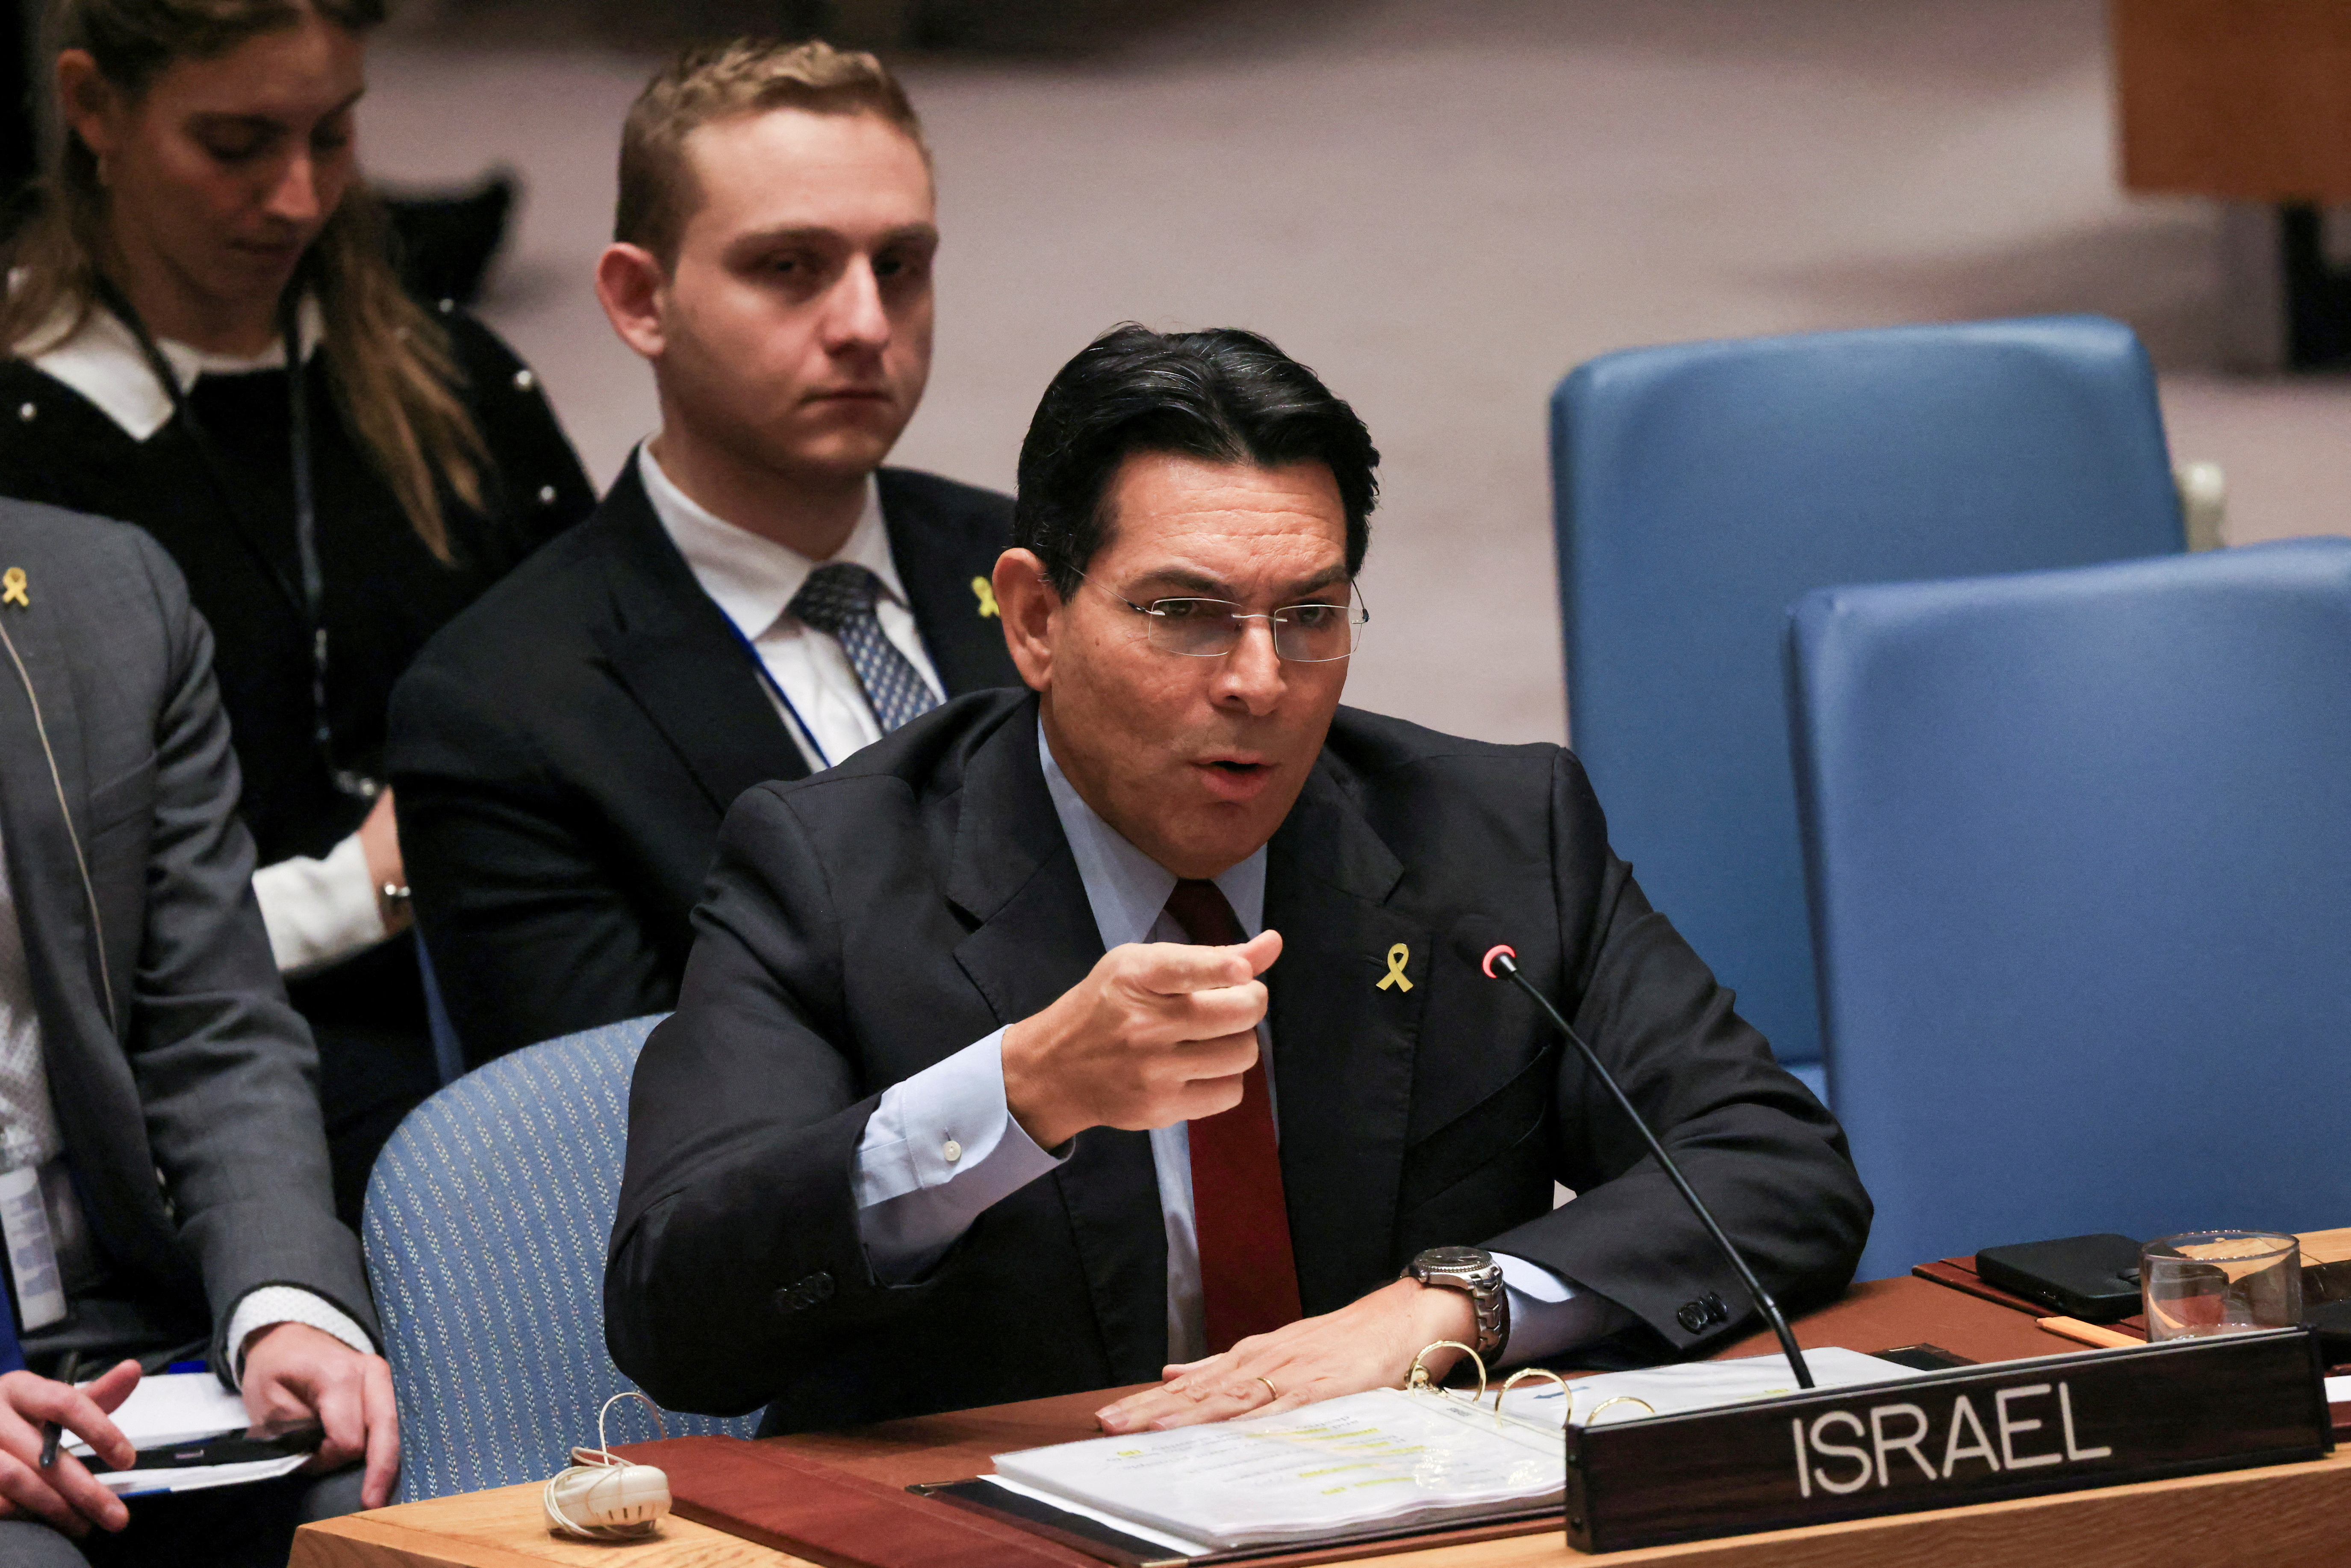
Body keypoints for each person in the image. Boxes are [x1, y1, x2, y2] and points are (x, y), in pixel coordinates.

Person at [605, 324, 1873, 1436]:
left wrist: (1444, 1304)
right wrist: (1018, 1093)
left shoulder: (1492, 834)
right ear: (1035, 618)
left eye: (1311, 615)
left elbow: (1774, 1162)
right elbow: (678, 1311)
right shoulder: (833, 866)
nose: (1260, 681)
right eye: (1185, 612)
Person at [0, 0, 596, 1223]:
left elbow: (607, 713)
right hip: (217, 1086)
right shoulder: (27, 466)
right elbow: (54, 946)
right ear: (93, 108)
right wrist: (364, 886)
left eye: (333, 137)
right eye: (235, 145)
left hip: (520, 994)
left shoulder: (458, 379)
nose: (296, 198)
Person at [389, 39, 1019, 1068]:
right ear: (641, 301)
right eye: (789, 267)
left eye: (897, 265)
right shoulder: (501, 707)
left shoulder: (1035, 558)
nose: (866, 323)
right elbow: (620, 1130)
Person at [0, 499, 396, 1567]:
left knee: (396, 1505)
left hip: (135, 1321)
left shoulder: (108, 592)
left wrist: (284, 1303)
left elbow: (213, 1022)